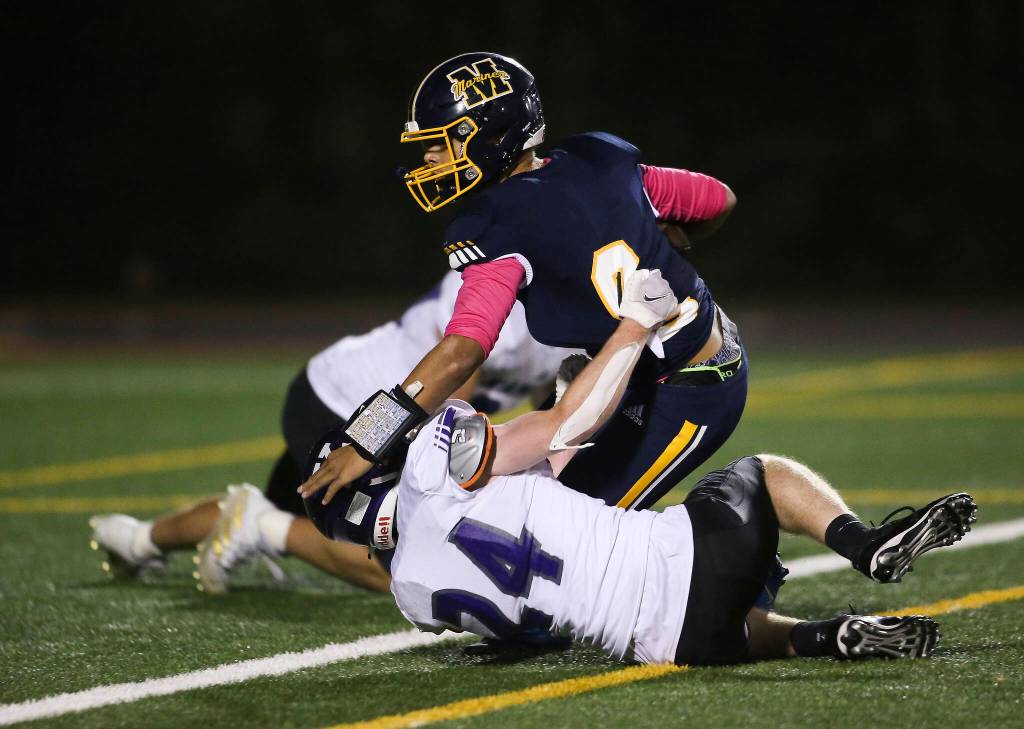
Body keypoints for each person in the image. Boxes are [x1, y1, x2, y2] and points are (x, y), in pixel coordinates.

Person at [305, 269, 977, 665]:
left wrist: (574, 395)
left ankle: (826, 635)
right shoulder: (431, 461)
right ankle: (866, 544)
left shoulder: (411, 594)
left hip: (672, 641)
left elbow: (527, 521)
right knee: (761, 473)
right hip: (693, 558)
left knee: (707, 616)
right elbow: (566, 428)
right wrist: (633, 326)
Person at [301, 51, 745, 520]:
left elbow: (462, 352)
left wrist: (368, 438)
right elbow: (718, 199)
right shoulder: (599, 156)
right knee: (537, 515)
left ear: (494, 137)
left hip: (688, 384)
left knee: (577, 536)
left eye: (444, 141)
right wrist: (674, 239)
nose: (429, 157)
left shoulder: (493, 224)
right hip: (639, 369)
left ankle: (746, 561)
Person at [89, 271, 574, 593]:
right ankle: (260, 526)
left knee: (280, 509)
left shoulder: (562, 313)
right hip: (347, 409)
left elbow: (542, 415)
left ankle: (137, 540)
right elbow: (451, 404)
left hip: (377, 417)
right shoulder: (503, 279)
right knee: (411, 564)